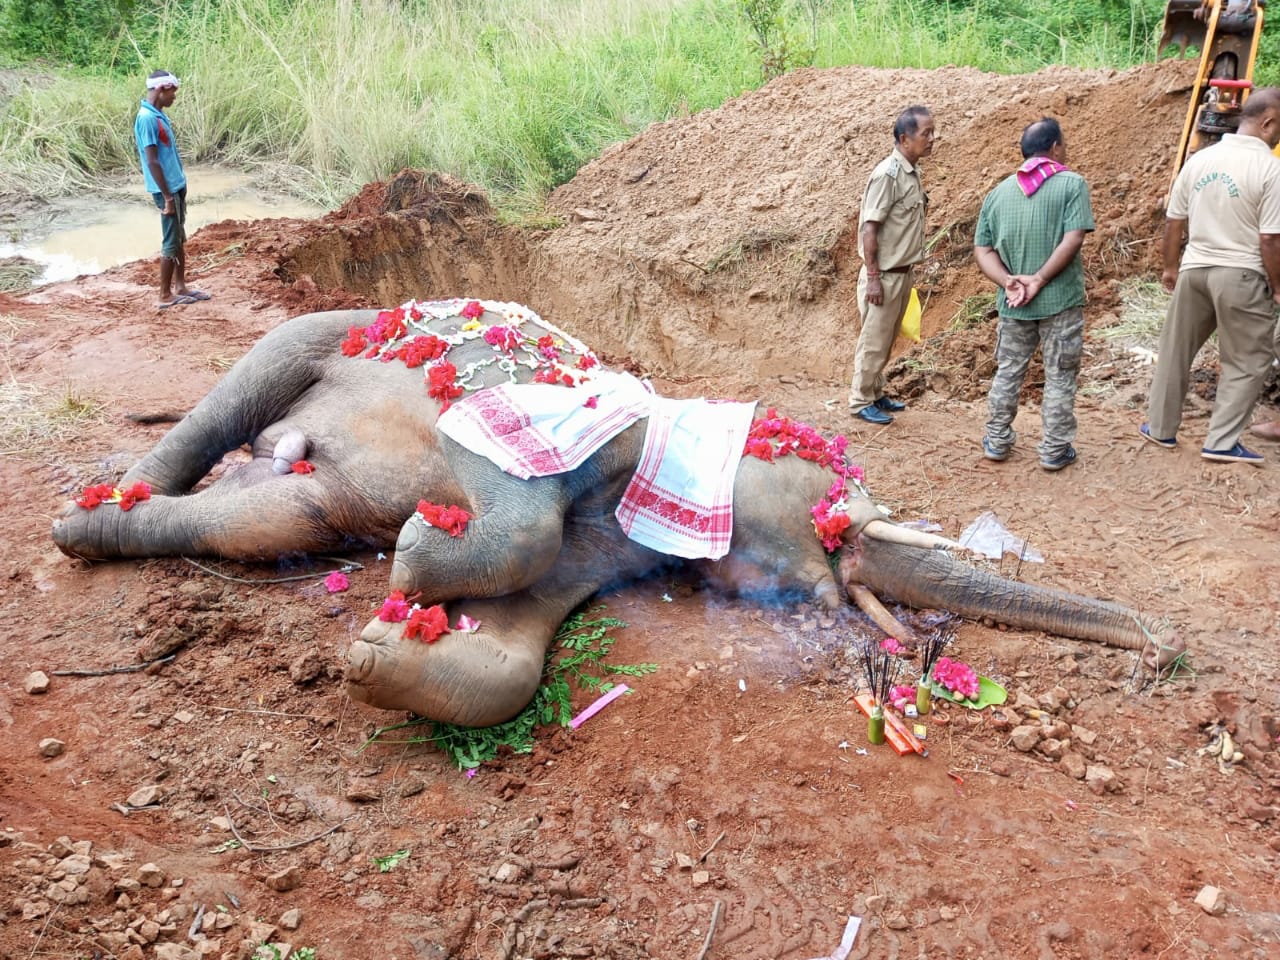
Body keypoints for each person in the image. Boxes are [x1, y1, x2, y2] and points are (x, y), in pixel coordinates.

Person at [1141, 87, 1280, 465]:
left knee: (1175, 351)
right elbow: (1269, 237)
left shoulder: (1201, 159)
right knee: (1248, 360)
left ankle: (1160, 428)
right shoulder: (1270, 168)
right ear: (1268, 122)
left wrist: (1171, 267)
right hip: (1241, 274)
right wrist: (1278, 285)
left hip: (1194, 270)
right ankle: (1220, 441)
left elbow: (1174, 220)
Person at [973, 117, 1094, 472]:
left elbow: (983, 250)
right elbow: (1074, 237)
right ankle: (1055, 449)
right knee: (1059, 373)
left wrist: (1009, 281)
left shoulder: (998, 193)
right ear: (1055, 147)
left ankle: (997, 440)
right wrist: (1038, 279)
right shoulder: (1072, 184)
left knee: (1008, 370)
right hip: (1060, 301)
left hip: (1013, 305)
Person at [848, 105, 934, 426]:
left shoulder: (911, 172)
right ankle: (859, 401)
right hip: (883, 275)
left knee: (886, 338)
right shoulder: (888, 175)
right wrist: (872, 277)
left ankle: (874, 392)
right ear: (904, 138)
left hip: (901, 273)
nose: (931, 139)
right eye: (925, 133)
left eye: (932, 132)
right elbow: (870, 228)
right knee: (873, 341)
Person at [134, 69, 209, 308]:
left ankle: (181, 287)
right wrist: (166, 196)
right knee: (170, 242)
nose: (174, 97)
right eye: (172, 92)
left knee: (178, 239)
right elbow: (152, 160)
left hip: (176, 186)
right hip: (166, 190)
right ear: (161, 89)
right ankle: (165, 295)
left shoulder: (157, 114)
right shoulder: (146, 118)